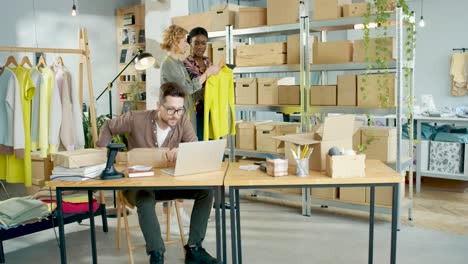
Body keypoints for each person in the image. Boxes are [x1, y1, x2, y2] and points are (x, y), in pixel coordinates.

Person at [97, 82, 218, 264]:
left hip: (168, 184)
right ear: (158, 106)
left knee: (206, 191)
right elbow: (108, 127)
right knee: (145, 198)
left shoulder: (183, 122)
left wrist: (183, 151)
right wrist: (103, 152)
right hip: (138, 186)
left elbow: (195, 147)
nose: (175, 115)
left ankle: (194, 249)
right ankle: (157, 254)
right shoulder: (135, 119)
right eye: (170, 110)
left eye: (179, 110)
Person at [159, 25, 220, 224]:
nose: (186, 44)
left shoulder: (177, 64)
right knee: (174, 166)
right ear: (176, 40)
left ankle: (178, 211)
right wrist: (207, 73)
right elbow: (186, 88)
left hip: (183, 118)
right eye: (184, 40)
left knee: (181, 165)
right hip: (174, 119)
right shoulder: (169, 64)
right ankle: (171, 217)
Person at [183, 27, 233, 210]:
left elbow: (215, 83)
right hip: (197, 114)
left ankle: (219, 200)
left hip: (213, 112)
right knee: (202, 154)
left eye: (203, 43)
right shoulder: (185, 64)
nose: (200, 46)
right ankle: (204, 198)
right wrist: (210, 75)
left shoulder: (208, 61)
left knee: (216, 153)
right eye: (196, 42)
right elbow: (193, 88)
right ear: (189, 42)